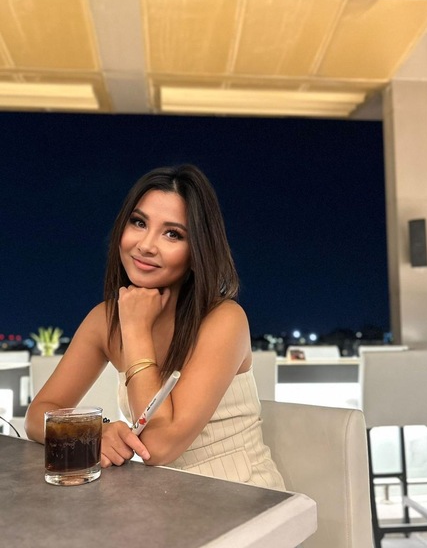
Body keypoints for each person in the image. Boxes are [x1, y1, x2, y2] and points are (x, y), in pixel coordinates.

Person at [25, 164, 285, 490]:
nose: (146, 245)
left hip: (241, 493)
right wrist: (95, 432)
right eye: (139, 222)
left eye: (172, 234)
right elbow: (38, 415)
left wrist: (136, 329)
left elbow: (159, 446)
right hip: (159, 497)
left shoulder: (224, 320)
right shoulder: (105, 320)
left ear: (197, 251)